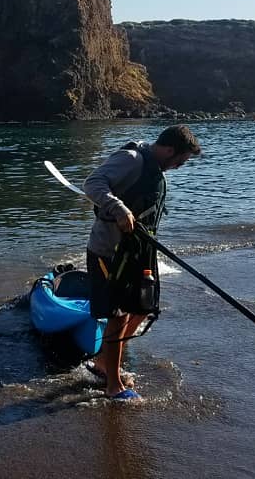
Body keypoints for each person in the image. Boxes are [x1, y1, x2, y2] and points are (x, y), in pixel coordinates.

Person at [83, 124, 201, 400]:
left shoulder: (155, 168)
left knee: (143, 307)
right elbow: (93, 183)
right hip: (109, 251)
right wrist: (120, 208)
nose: (180, 167)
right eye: (180, 161)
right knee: (118, 314)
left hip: (138, 251)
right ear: (169, 149)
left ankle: (104, 360)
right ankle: (113, 385)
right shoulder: (131, 159)